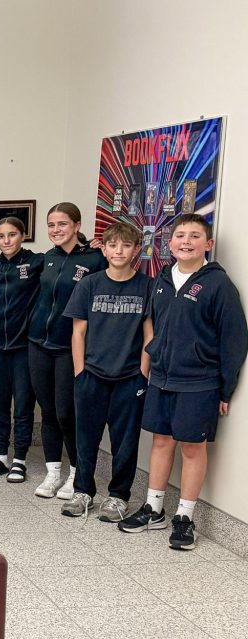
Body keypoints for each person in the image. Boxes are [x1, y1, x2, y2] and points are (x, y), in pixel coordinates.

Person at [120, 213, 248, 549]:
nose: (186, 242)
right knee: (161, 442)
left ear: (208, 244)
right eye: (179, 235)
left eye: (194, 236)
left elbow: (234, 340)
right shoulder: (162, 280)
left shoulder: (218, 284)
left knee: (192, 448)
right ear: (170, 243)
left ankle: (185, 517)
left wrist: (225, 388)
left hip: (200, 382)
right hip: (162, 378)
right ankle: (154, 508)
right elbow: (156, 328)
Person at [60, 221, 153, 521]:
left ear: (137, 249)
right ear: (104, 247)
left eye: (126, 245)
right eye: (113, 245)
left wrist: (142, 373)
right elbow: (78, 333)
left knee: (125, 441)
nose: (119, 251)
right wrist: (79, 372)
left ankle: (118, 497)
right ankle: (83, 491)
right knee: (85, 437)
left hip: (129, 378)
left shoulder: (146, 287)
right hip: (91, 376)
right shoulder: (89, 284)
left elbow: (149, 334)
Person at [28, 202, 106, 499]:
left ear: (76, 225)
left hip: (68, 347)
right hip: (38, 343)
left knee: (66, 412)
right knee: (47, 411)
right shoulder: (48, 258)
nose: (55, 230)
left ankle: (76, 473)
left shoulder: (95, 259)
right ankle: (52, 473)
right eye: (51, 225)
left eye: (62, 224)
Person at [0, 217, 44, 483]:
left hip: (24, 345)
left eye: (12, 235)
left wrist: (89, 245)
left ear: (23, 235)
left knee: (23, 405)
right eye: (1, 236)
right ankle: (0, 456)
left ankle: (19, 459)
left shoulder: (36, 262)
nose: (6, 241)